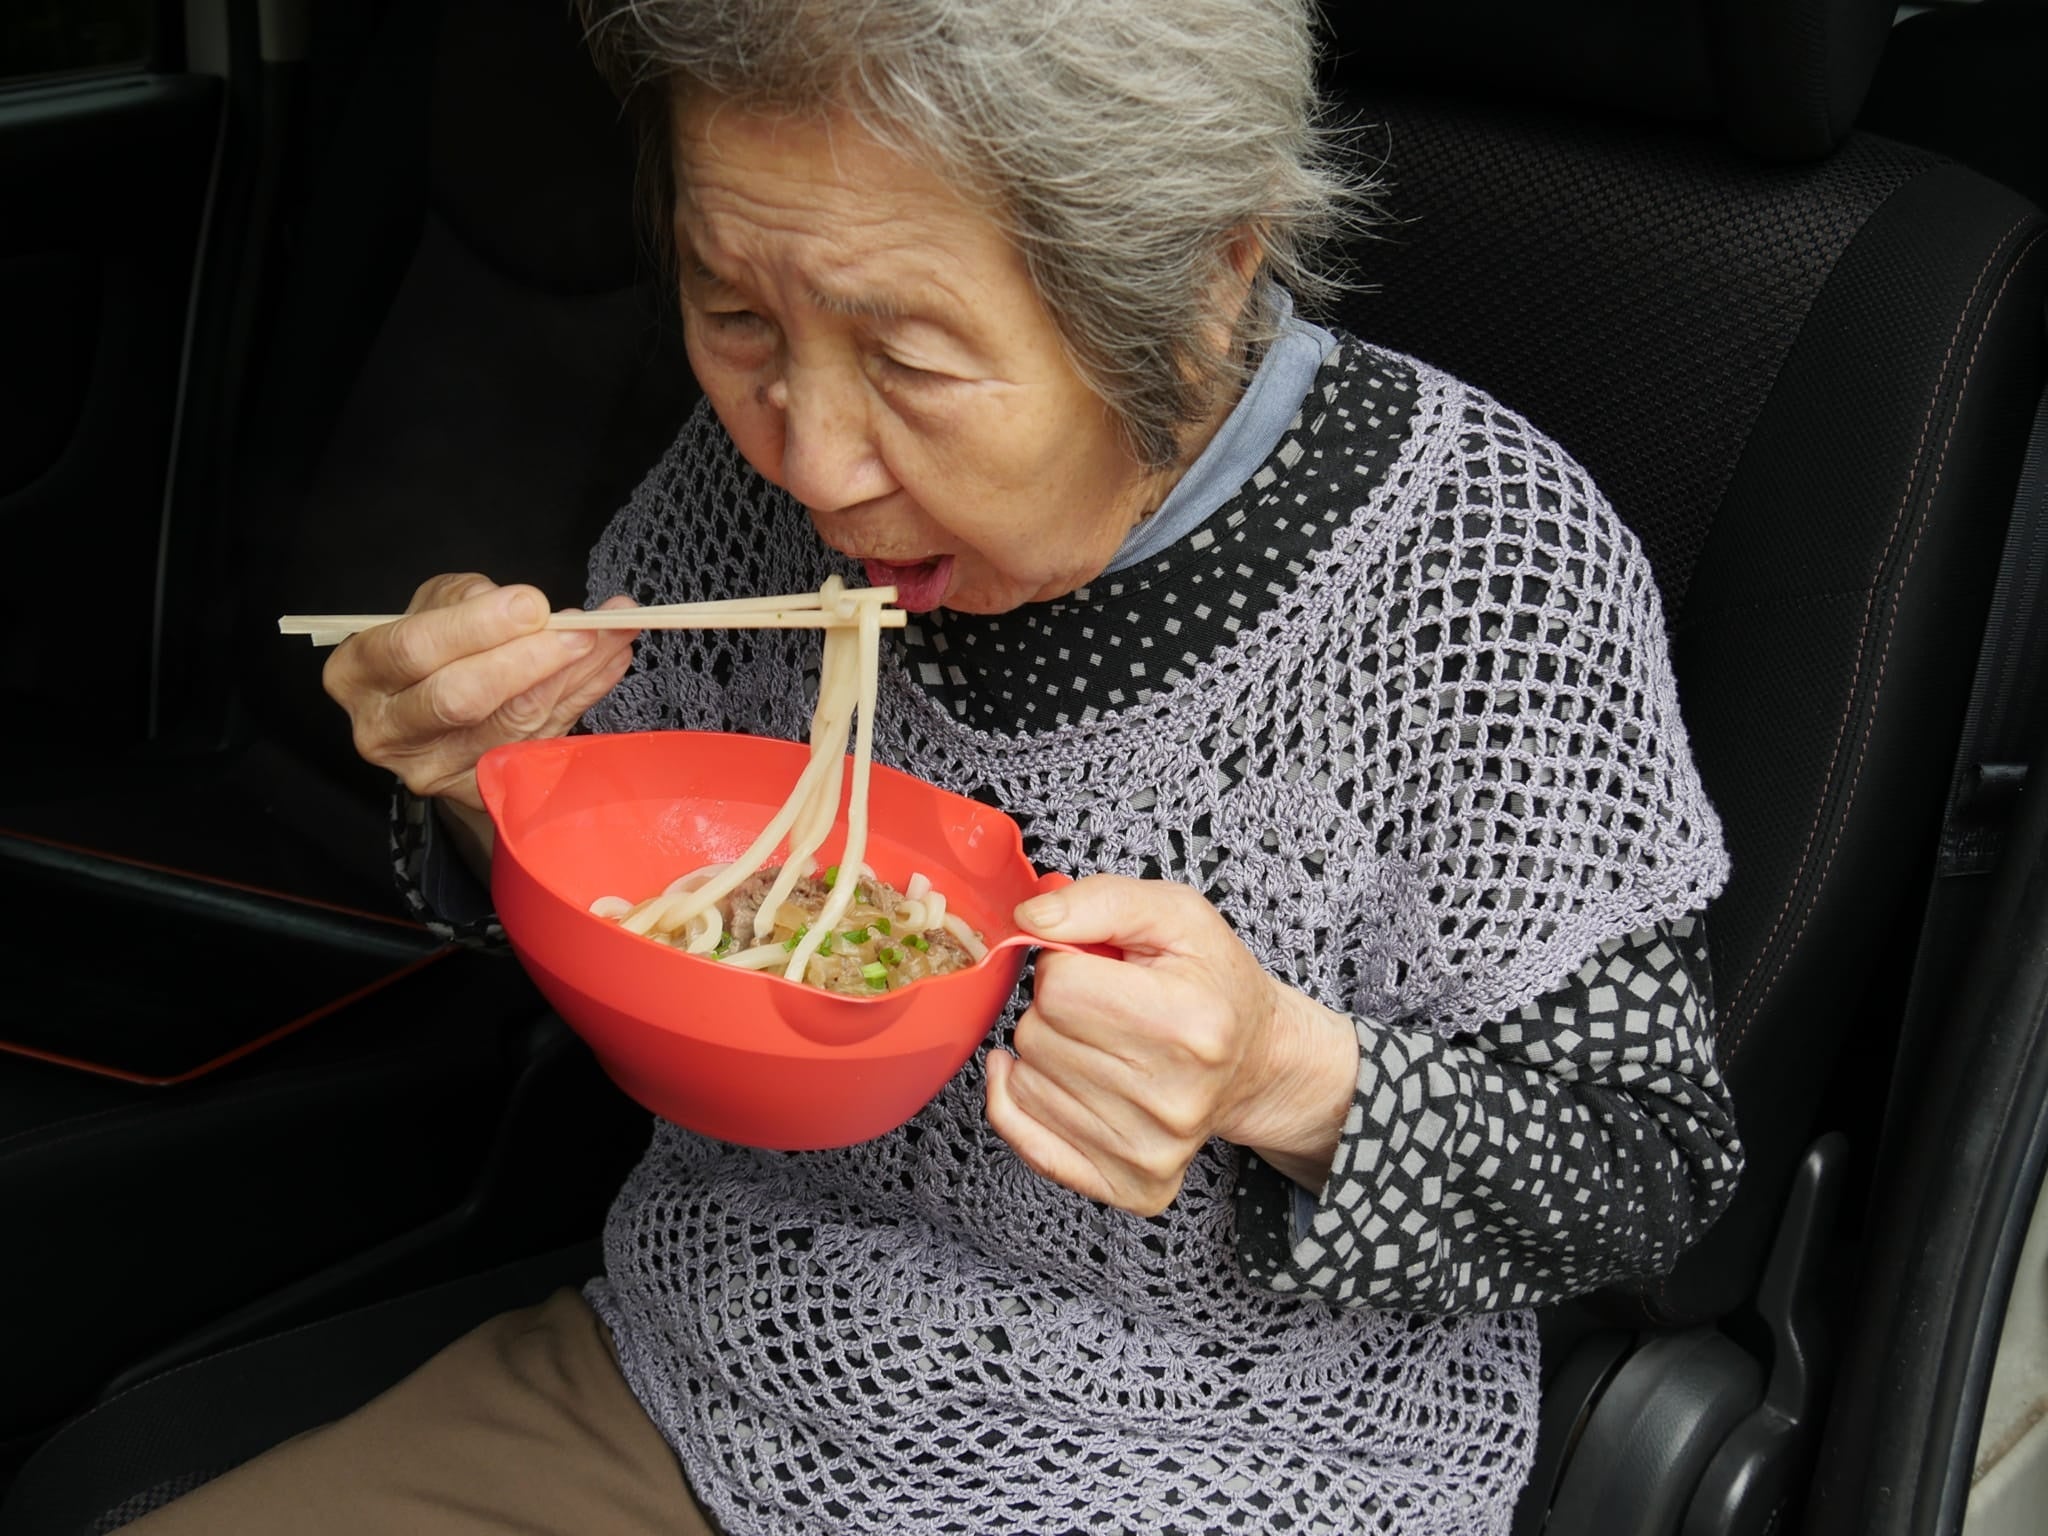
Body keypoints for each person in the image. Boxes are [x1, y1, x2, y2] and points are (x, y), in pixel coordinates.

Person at [128, 1, 1741, 1531]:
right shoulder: (746, 476)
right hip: (711, 1369)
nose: (810, 457)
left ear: (1199, 284)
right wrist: (489, 788)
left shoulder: (1475, 570)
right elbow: (632, 911)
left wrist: (1284, 1079)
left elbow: (1644, 1171)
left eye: (908, 359)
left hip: (1220, 1459)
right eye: (734, 314)